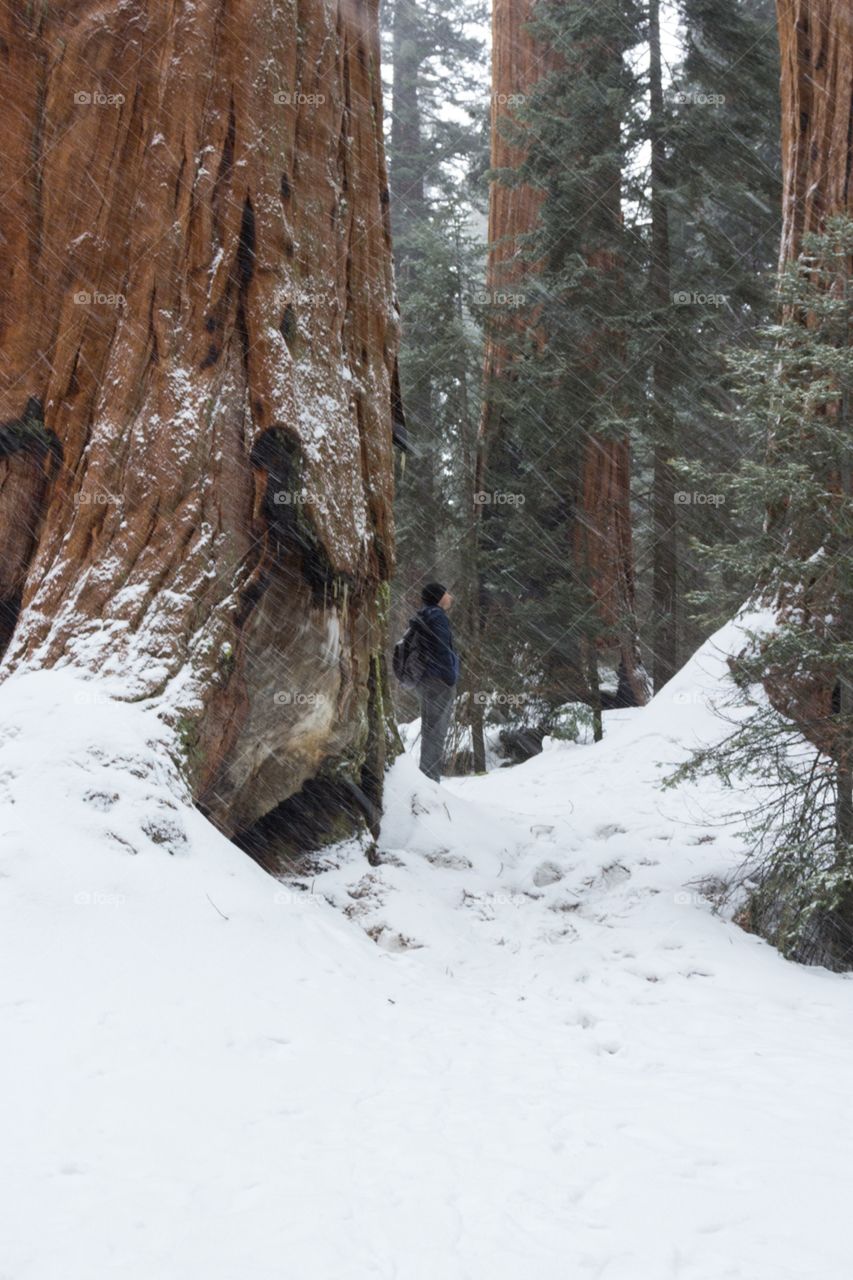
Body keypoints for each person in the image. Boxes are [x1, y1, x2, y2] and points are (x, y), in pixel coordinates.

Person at [413, 582, 459, 781]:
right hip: (438, 681)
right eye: (447, 593)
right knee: (436, 732)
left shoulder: (423, 614)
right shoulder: (437, 616)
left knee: (430, 729)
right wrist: (450, 678)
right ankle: (430, 779)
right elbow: (442, 650)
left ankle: (427, 777)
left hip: (426, 680)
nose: (451, 597)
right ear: (439, 597)